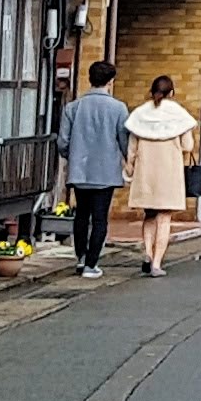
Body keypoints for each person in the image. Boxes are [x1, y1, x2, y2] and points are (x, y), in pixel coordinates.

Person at [123, 75, 200, 277]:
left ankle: (147, 253)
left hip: (145, 171)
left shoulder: (140, 114)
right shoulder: (179, 115)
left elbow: (131, 148)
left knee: (149, 215)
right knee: (164, 217)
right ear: (172, 93)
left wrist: (130, 169)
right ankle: (156, 263)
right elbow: (188, 146)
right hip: (169, 171)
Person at [60, 63, 131, 279]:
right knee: (100, 218)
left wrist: (72, 156)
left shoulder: (73, 107)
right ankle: (92, 263)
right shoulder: (119, 108)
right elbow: (125, 142)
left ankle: (81, 259)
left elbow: (63, 142)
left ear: (90, 79)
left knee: (81, 214)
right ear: (110, 82)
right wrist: (129, 162)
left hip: (80, 170)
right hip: (106, 172)